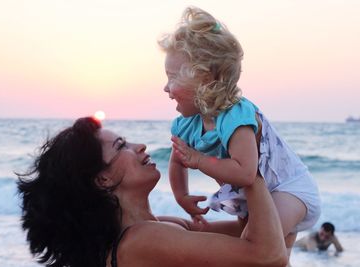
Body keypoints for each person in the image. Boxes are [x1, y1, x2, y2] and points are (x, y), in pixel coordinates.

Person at [158, 6, 321, 262]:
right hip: (252, 201)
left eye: (172, 78)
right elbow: (177, 161)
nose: (165, 87)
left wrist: (200, 160)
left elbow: (246, 172)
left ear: (204, 80)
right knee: (269, 256)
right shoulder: (186, 125)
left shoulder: (236, 115)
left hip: (288, 190)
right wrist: (182, 196)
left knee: (256, 249)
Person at [17, 116, 287, 267]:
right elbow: (269, 255)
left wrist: (224, 164)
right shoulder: (140, 240)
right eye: (122, 145)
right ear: (102, 179)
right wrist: (248, 171)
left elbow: (262, 233)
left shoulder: (158, 226)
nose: (140, 145)